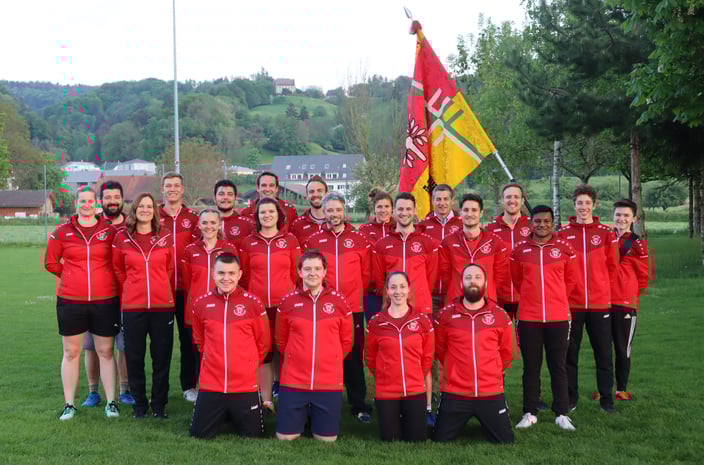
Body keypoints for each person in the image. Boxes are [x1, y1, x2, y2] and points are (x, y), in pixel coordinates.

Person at [45, 187, 121, 420]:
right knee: (71, 352)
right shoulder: (62, 232)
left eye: (90, 201)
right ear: (76, 203)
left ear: (96, 204)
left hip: (105, 300)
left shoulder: (109, 231)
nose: (86, 205)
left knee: (105, 351)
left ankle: (111, 402)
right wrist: (70, 276)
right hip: (71, 301)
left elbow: (118, 261)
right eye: (82, 201)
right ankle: (69, 404)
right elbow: (51, 262)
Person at [304, 192, 373, 423]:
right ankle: (322, 399)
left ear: (345, 211)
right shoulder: (314, 240)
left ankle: (358, 404)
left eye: (338, 209)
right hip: (323, 308)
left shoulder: (360, 239)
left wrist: (355, 296)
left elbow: (366, 273)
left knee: (353, 356)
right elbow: (309, 273)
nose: (334, 214)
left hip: (353, 308)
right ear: (323, 212)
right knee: (323, 355)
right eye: (329, 210)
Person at [371, 192, 437, 425]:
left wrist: (420, 296)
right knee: (390, 356)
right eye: (400, 209)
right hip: (392, 310)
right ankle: (394, 403)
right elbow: (380, 279)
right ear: (394, 211)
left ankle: (426, 406)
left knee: (424, 359)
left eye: (408, 209)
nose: (404, 213)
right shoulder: (382, 244)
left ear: (414, 210)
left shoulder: (427, 242)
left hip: (421, 307)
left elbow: (431, 275)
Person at [510, 206, 578, 431]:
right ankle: (529, 412)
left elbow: (571, 280)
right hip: (529, 318)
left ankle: (561, 413)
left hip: (558, 317)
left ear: (553, 222)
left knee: (558, 366)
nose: (542, 225)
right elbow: (517, 280)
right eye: (537, 221)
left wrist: (556, 299)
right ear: (531, 223)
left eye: (546, 221)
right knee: (531, 367)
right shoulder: (519, 250)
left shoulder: (565, 248)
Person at [275, 250, 354, 442]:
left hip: (328, 380)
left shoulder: (340, 301)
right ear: (300, 272)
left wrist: (331, 358)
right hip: (294, 380)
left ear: (325, 271)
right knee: (285, 437)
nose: (313, 273)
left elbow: (346, 342)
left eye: (317, 268)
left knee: (327, 440)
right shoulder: (287, 302)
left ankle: (312, 417)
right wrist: (296, 357)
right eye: (308, 269)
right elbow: (281, 340)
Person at [189, 253, 271, 439]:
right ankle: (224, 412)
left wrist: (248, 364)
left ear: (239, 274)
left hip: (245, 384)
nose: (226, 278)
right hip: (212, 384)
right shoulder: (201, 303)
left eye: (231, 273)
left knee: (253, 436)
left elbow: (263, 343)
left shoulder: (253, 303)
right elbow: (200, 340)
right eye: (221, 273)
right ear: (213, 273)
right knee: (198, 434)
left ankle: (234, 412)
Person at [432, 263, 514, 443]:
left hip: (490, 392)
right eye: (468, 278)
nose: (473, 281)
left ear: (486, 282)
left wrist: (492, 371)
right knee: (440, 439)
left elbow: (507, 353)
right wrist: (455, 371)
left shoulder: (500, 316)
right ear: (461, 283)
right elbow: (440, 349)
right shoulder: (446, 315)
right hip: (456, 392)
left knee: (506, 441)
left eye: (478, 277)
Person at [112, 192, 175, 418]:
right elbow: (118, 269)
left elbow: (169, 268)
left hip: (162, 307)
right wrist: (133, 287)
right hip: (133, 307)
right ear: (135, 210)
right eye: (141, 206)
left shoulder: (165, 236)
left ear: (154, 211)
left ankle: (158, 405)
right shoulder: (122, 237)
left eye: (149, 206)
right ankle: (139, 405)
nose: (145, 210)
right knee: (135, 358)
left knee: (161, 358)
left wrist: (158, 286)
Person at [559, 184, 619, 413]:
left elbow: (612, 267)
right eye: (579, 203)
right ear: (573, 205)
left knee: (603, 354)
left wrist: (601, 287)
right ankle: (570, 399)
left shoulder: (606, 233)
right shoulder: (563, 234)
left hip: (599, 304)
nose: (583, 207)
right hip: (572, 305)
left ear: (594, 205)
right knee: (569, 355)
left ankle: (606, 400)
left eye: (587, 203)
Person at [239, 197, 301, 412]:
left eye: (271, 211)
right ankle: (266, 400)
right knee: (263, 352)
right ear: (257, 216)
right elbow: (245, 275)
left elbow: (296, 273)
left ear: (278, 214)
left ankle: (287, 397)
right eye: (262, 212)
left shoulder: (290, 240)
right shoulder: (248, 243)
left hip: (285, 307)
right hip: (258, 308)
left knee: (285, 351)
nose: (267, 215)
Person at [80, 180, 134, 407]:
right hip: (96, 297)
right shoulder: (93, 224)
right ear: (101, 201)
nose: (112, 201)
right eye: (108, 197)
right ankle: (93, 392)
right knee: (91, 347)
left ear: (122, 199)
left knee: (124, 347)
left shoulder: (131, 225)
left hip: (124, 297)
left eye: (116, 197)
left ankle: (124, 390)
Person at [366, 271, 434, 441]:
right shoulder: (376, 322)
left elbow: (427, 357)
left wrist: (416, 376)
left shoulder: (422, 320)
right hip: (387, 391)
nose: (398, 291)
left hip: (414, 389)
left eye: (402, 287)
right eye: (393, 287)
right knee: (390, 439)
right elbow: (370, 357)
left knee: (417, 439)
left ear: (409, 289)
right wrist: (383, 375)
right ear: (387, 291)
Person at [158, 172, 199, 402]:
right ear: (162, 189)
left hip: (186, 291)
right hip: (161, 290)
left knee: (188, 340)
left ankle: (188, 385)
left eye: (176, 185)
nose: (172, 189)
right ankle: (160, 390)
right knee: (162, 343)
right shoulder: (154, 216)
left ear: (182, 189)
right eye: (168, 185)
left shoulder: (192, 218)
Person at [182, 209, 239, 359]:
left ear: (219, 225)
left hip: (221, 311)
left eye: (213, 222)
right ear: (199, 225)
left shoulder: (229, 249)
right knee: (196, 356)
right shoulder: (190, 250)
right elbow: (188, 282)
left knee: (219, 355)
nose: (209, 226)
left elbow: (234, 280)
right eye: (205, 222)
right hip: (195, 311)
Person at [438, 193, 509, 306]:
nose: (470, 214)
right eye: (466, 210)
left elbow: (501, 276)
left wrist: (487, 289)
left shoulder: (495, 242)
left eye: (474, 210)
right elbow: (445, 275)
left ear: (481, 213)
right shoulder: (448, 242)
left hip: (487, 302)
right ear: (460, 213)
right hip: (456, 302)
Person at [610, 199, 649, 401]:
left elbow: (644, 275)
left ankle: (621, 389)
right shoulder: (606, 238)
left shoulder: (637, 243)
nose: (621, 219)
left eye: (626, 215)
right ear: (613, 216)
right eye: (618, 214)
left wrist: (630, 297)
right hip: (602, 302)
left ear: (634, 218)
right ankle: (604, 389)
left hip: (624, 303)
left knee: (622, 347)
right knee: (603, 349)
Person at [486, 183, 533, 320]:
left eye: (516, 197)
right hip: (499, 296)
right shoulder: (490, 230)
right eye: (508, 197)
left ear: (522, 201)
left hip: (526, 296)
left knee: (524, 334)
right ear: (502, 200)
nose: (512, 200)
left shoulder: (533, 227)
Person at [417, 184, 463, 310]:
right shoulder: (422, 226)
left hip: (456, 291)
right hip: (430, 292)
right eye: (438, 199)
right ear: (432, 201)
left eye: (446, 199)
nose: (442, 203)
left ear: (452, 201)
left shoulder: (463, 224)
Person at [358, 191, 395, 323]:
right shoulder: (364, 230)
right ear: (374, 209)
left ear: (392, 208)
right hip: (372, 291)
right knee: (374, 326)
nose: (383, 210)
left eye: (387, 206)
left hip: (396, 290)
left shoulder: (398, 228)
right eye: (379, 207)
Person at [213, 179, 255, 250]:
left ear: (235, 199)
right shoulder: (205, 225)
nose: (225, 197)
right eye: (221, 194)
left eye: (230, 194)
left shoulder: (248, 225)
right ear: (214, 198)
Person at [290, 175, 328, 245]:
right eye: (311, 191)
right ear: (307, 196)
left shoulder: (336, 222)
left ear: (326, 194)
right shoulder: (297, 225)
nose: (315, 194)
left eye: (319, 191)